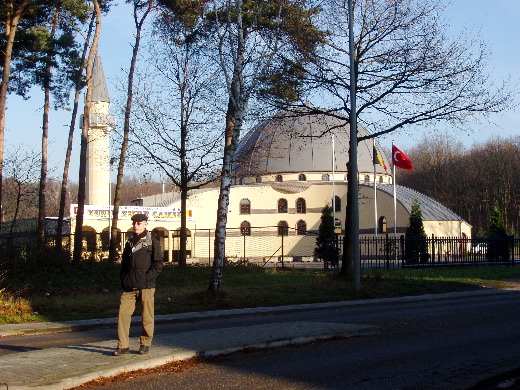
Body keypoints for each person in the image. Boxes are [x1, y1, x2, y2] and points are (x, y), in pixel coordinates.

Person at [113, 213, 163, 356]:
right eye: (134, 223)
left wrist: (147, 278)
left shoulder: (153, 242)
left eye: (139, 223)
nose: (136, 225)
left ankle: (145, 343)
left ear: (146, 224)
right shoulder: (129, 241)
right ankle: (123, 346)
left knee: (147, 316)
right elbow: (124, 264)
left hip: (146, 285)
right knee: (123, 315)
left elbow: (158, 264)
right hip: (129, 285)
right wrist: (123, 278)